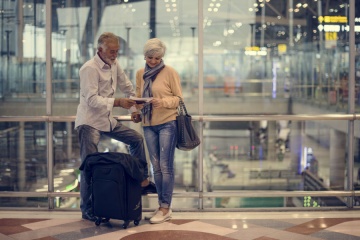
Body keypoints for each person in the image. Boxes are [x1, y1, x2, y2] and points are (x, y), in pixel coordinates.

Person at [75, 32, 156, 222]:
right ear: (99, 50)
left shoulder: (114, 64)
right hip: (89, 122)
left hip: (106, 119)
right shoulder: (89, 69)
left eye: (117, 51)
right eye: (111, 51)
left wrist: (135, 109)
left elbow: (128, 87)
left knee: (136, 139)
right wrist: (119, 102)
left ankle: (141, 180)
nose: (115, 55)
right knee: (89, 166)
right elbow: (92, 100)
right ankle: (87, 210)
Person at [133, 38, 182, 224]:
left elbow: (178, 99)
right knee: (156, 167)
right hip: (148, 124)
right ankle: (162, 205)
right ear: (144, 55)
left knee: (165, 166)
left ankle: (165, 207)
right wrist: (137, 109)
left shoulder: (170, 72)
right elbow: (139, 96)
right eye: (149, 57)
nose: (153, 61)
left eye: (157, 57)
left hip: (167, 122)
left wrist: (162, 102)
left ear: (162, 57)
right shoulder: (140, 73)